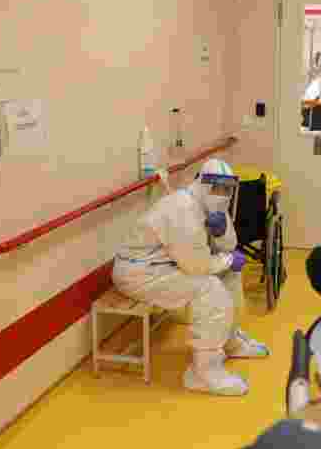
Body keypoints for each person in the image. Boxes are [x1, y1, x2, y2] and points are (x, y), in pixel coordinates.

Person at [112, 158, 269, 396]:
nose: (223, 194)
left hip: (166, 265)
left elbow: (230, 244)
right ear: (203, 184)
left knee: (229, 275)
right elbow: (196, 266)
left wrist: (221, 231)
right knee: (209, 289)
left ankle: (229, 340)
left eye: (228, 189)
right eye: (217, 187)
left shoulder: (210, 204)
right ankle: (204, 372)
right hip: (140, 272)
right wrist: (226, 259)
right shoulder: (183, 208)